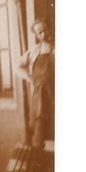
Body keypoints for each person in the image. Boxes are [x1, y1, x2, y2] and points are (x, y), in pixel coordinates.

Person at [16, 19, 55, 148]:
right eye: (40, 32)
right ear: (37, 35)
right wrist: (28, 77)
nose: (44, 34)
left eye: (45, 30)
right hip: (40, 95)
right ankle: (39, 155)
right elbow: (18, 66)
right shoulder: (34, 51)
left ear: (49, 29)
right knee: (39, 126)